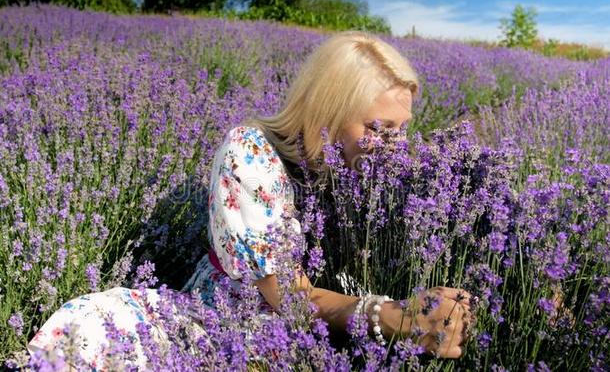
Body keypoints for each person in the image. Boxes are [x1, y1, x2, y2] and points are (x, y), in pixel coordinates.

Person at [27, 30, 474, 369]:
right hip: (230, 321)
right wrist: (391, 317)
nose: (395, 147)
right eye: (379, 129)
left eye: (402, 130)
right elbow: (289, 299)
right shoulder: (251, 155)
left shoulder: (369, 171)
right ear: (328, 111)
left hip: (320, 332)